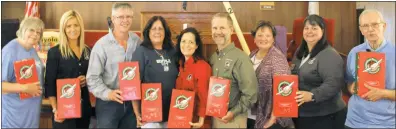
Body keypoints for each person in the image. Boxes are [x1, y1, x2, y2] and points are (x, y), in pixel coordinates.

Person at [86, 3, 141, 128]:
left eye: (128, 17)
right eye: (120, 17)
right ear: (113, 18)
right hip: (108, 104)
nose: (125, 20)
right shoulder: (101, 45)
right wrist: (108, 93)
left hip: (132, 104)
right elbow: (92, 79)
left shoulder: (137, 41)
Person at [290, 14, 346, 129]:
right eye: (306, 28)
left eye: (314, 28)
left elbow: (333, 84)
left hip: (325, 115)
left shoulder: (329, 54)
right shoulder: (300, 52)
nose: (309, 31)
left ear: (323, 31)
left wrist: (312, 95)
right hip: (302, 113)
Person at [344, 9, 395, 129]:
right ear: (361, 30)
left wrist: (384, 93)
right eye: (365, 26)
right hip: (355, 120)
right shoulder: (354, 52)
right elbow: (349, 81)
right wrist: (351, 88)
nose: (370, 29)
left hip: (386, 122)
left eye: (375, 24)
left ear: (384, 26)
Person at [209, 13, 258, 128]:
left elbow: (251, 94)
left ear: (231, 30)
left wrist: (233, 113)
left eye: (222, 28)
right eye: (215, 28)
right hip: (213, 117)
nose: (218, 32)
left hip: (232, 120)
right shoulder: (213, 57)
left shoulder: (241, 58)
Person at [44, 10, 92, 128]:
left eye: (76, 25)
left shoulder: (88, 51)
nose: (73, 29)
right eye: (68, 26)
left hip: (84, 108)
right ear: (63, 29)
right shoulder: (55, 52)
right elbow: (49, 84)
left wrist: (87, 79)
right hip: (64, 110)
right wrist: (56, 110)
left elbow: (94, 77)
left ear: (81, 27)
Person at [131, 16, 178, 128]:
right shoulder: (141, 51)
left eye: (160, 29)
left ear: (165, 32)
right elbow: (133, 86)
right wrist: (137, 114)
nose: (157, 31)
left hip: (172, 113)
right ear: (148, 32)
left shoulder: (173, 51)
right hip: (150, 114)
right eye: (154, 28)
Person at [247, 21, 294, 129]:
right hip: (252, 113)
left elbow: (284, 91)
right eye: (260, 35)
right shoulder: (252, 54)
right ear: (254, 39)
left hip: (271, 118)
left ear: (273, 39)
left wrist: (273, 118)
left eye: (268, 35)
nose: (263, 38)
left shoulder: (278, 58)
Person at [1, 17, 45, 128]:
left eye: (38, 32)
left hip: (30, 119)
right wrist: (25, 88)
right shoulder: (9, 51)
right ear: (23, 29)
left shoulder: (32, 49)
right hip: (14, 121)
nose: (35, 34)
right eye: (31, 30)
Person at [175, 27, 212, 128]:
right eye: (183, 41)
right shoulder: (181, 65)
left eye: (191, 42)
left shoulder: (202, 66)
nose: (186, 45)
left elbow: (204, 95)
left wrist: (201, 120)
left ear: (196, 46)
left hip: (196, 121)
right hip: (181, 118)